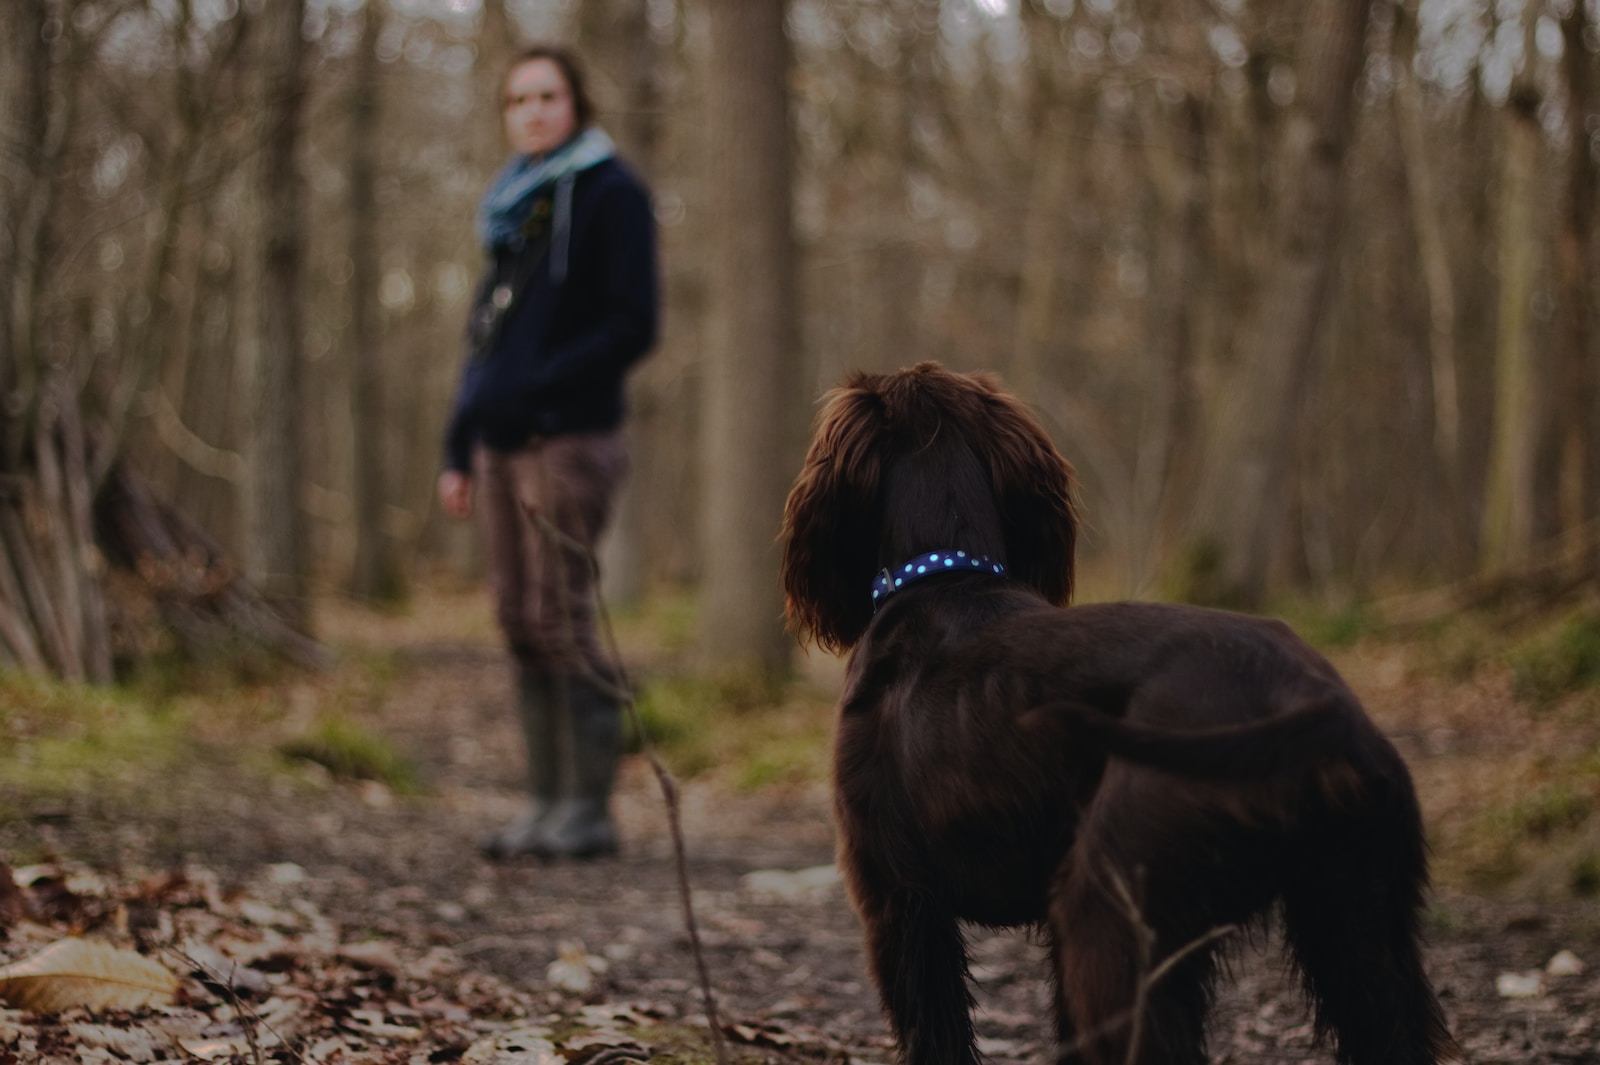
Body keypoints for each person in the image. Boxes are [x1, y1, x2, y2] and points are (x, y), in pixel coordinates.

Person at [438, 43, 658, 860]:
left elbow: (633, 323)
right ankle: (543, 801)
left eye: (547, 95)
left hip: (567, 439)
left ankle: (587, 808)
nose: (532, 110)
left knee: (564, 617)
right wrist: (457, 446)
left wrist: (541, 385)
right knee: (517, 618)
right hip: (496, 446)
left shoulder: (610, 195)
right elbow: (482, 341)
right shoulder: (511, 209)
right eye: (518, 99)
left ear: (577, 103)